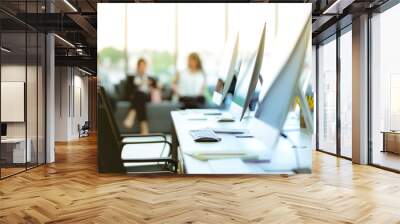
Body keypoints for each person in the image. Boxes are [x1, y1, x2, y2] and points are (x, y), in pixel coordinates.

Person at [123, 58, 151, 134]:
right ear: (138, 66)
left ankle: (132, 113)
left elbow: (154, 87)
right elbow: (129, 90)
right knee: (139, 95)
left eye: (144, 66)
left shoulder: (149, 77)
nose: (142, 68)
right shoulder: (133, 77)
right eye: (141, 66)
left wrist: (150, 84)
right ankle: (144, 128)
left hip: (147, 96)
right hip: (138, 96)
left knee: (140, 95)